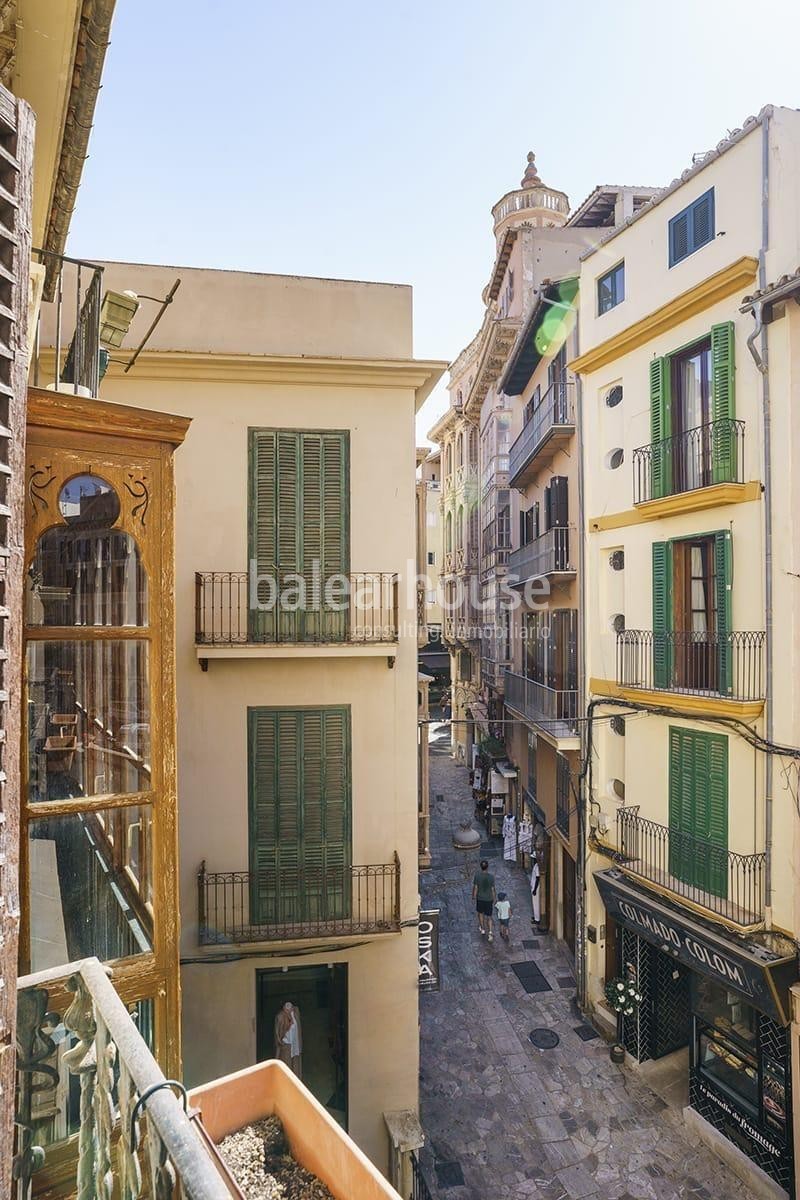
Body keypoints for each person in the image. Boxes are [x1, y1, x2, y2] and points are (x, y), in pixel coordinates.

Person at [274, 1001, 302, 1077]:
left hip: (295, 1044)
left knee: (296, 1066)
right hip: (286, 1045)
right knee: (286, 1068)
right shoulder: (280, 1017)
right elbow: (278, 1032)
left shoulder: (295, 1013)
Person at [472, 858, 496, 942]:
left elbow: (475, 887)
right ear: (487, 867)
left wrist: (473, 897)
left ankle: (482, 928)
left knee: (480, 914)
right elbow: (493, 889)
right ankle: (490, 931)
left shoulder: (477, 876)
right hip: (489, 899)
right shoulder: (491, 877)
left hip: (480, 898)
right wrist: (494, 899)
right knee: (489, 916)